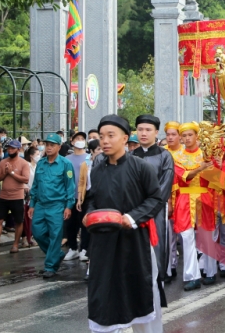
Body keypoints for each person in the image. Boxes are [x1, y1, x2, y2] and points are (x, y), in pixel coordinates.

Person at [83, 114, 164, 333]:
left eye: (111, 135)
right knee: (104, 291)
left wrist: (131, 217)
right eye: (101, 136)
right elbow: (91, 199)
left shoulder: (141, 168)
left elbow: (156, 199)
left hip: (135, 241)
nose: (105, 141)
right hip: (104, 242)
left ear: (125, 138)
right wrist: (89, 214)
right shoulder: (97, 170)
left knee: (141, 290)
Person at [131, 114, 175, 305]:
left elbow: (164, 187)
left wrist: (148, 208)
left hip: (156, 210)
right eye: (140, 129)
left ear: (156, 132)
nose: (143, 133)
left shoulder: (165, 156)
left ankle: (158, 289)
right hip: (133, 211)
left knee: (157, 247)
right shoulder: (130, 157)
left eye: (148, 130)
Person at [171, 122, 215, 290]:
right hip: (184, 199)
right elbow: (184, 176)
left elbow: (216, 177)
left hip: (204, 197)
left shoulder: (206, 154)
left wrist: (215, 164)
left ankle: (210, 271)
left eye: (190, 135)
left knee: (206, 235)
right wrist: (200, 168)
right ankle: (192, 276)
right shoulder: (176, 157)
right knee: (187, 237)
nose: (187, 138)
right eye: (184, 136)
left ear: (197, 136)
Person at [29, 133, 75, 278]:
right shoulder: (41, 163)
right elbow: (35, 185)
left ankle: (50, 266)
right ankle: (57, 254)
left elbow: (70, 187)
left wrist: (68, 206)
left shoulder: (65, 164)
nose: (48, 148)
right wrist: (32, 204)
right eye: (47, 145)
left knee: (55, 236)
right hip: (41, 205)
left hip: (57, 205)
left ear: (59, 147)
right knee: (37, 232)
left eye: (52, 145)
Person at [0, 139, 30, 254]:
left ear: (18, 149)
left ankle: (15, 245)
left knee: (18, 221)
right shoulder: (3, 162)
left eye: (13, 148)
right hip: (3, 196)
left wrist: (12, 173)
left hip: (17, 197)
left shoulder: (23, 163)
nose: (10, 150)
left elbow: (25, 179)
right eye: (8, 148)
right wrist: (5, 172)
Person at [64, 131, 91, 261]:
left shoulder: (89, 157)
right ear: (72, 141)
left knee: (84, 223)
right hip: (70, 196)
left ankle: (84, 248)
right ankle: (73, 248)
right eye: (77, 138)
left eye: (82, 138)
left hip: (85, 196)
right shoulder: (66, 159)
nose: (80, 140)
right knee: (70, 224)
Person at [164, 121, 183, 282]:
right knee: (169, 234)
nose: (170, 137)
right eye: (168, 134)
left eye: (173, 134)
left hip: (185, 198)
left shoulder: (186, 153)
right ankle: (170, 266)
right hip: (169, 197)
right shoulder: (162, 153)